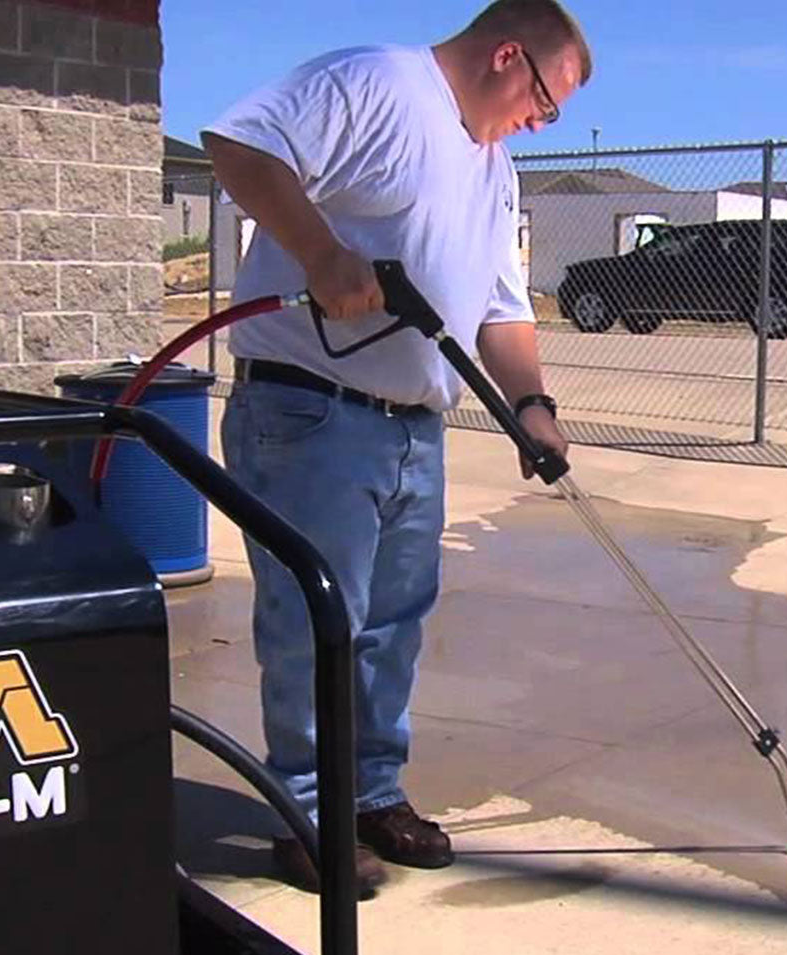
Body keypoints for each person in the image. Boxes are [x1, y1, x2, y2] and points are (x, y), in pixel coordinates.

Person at [202, 0, 592, 896]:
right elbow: (239, 145)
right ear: (507, 57)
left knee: (393, 624)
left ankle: (371, 794)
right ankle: (305, 812)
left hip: (416, 425)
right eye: (546, 100)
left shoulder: (494, 165)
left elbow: (500, 305)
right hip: (311, 414)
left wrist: (530, 403)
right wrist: (321, 254)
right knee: (314, 622)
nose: (541, 121)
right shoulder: (376, 83)